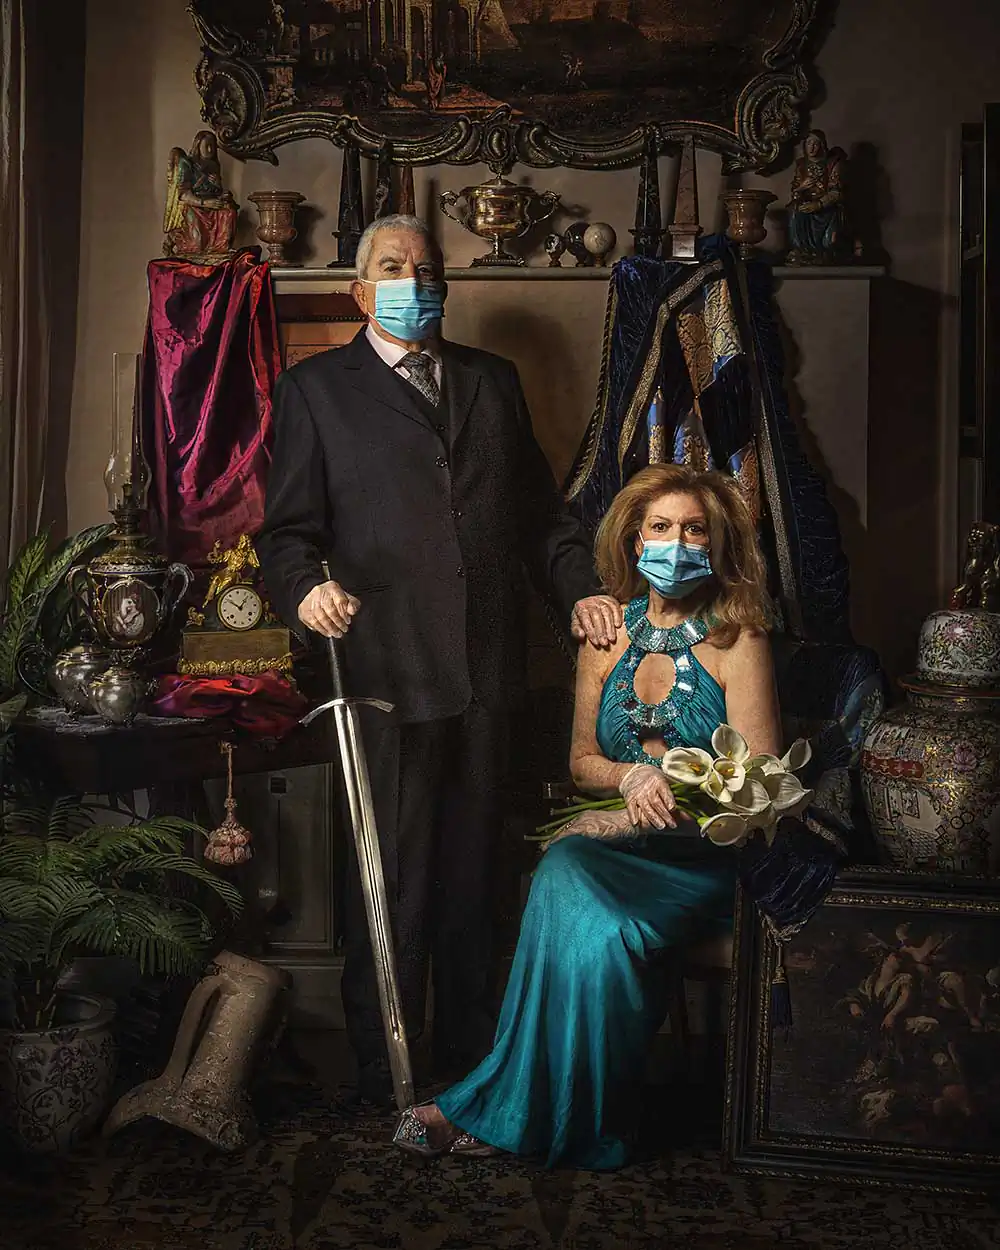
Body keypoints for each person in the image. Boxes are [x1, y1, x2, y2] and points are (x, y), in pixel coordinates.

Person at [255, 214, 620, 1109]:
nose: (412, 282)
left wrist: (579, 589)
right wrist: (305, 590)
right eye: (392, 267)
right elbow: (287, 535)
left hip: (488, 673)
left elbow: (541, 519)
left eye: (425, 269)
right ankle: (383, 1075)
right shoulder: (314, 391)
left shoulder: (493, 380)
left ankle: (469, 1069)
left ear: (445, 286)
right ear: (360, 290)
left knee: (473, 881)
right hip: (384, 675)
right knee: (392, 883)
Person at [392, 462, 783, 1167]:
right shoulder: (606, 637)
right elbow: (580, 762)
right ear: (636, 541)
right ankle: (529, 1111)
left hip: (701, 858)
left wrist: (651, 806)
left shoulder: (739, 638)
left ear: (717, 542)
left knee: (593, 912)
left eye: (694, 530)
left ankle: (538, 1117)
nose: (676, 543)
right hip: (614, 852)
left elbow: (758, 779)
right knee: (566, 873)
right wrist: (630, 775)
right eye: (661, 527)